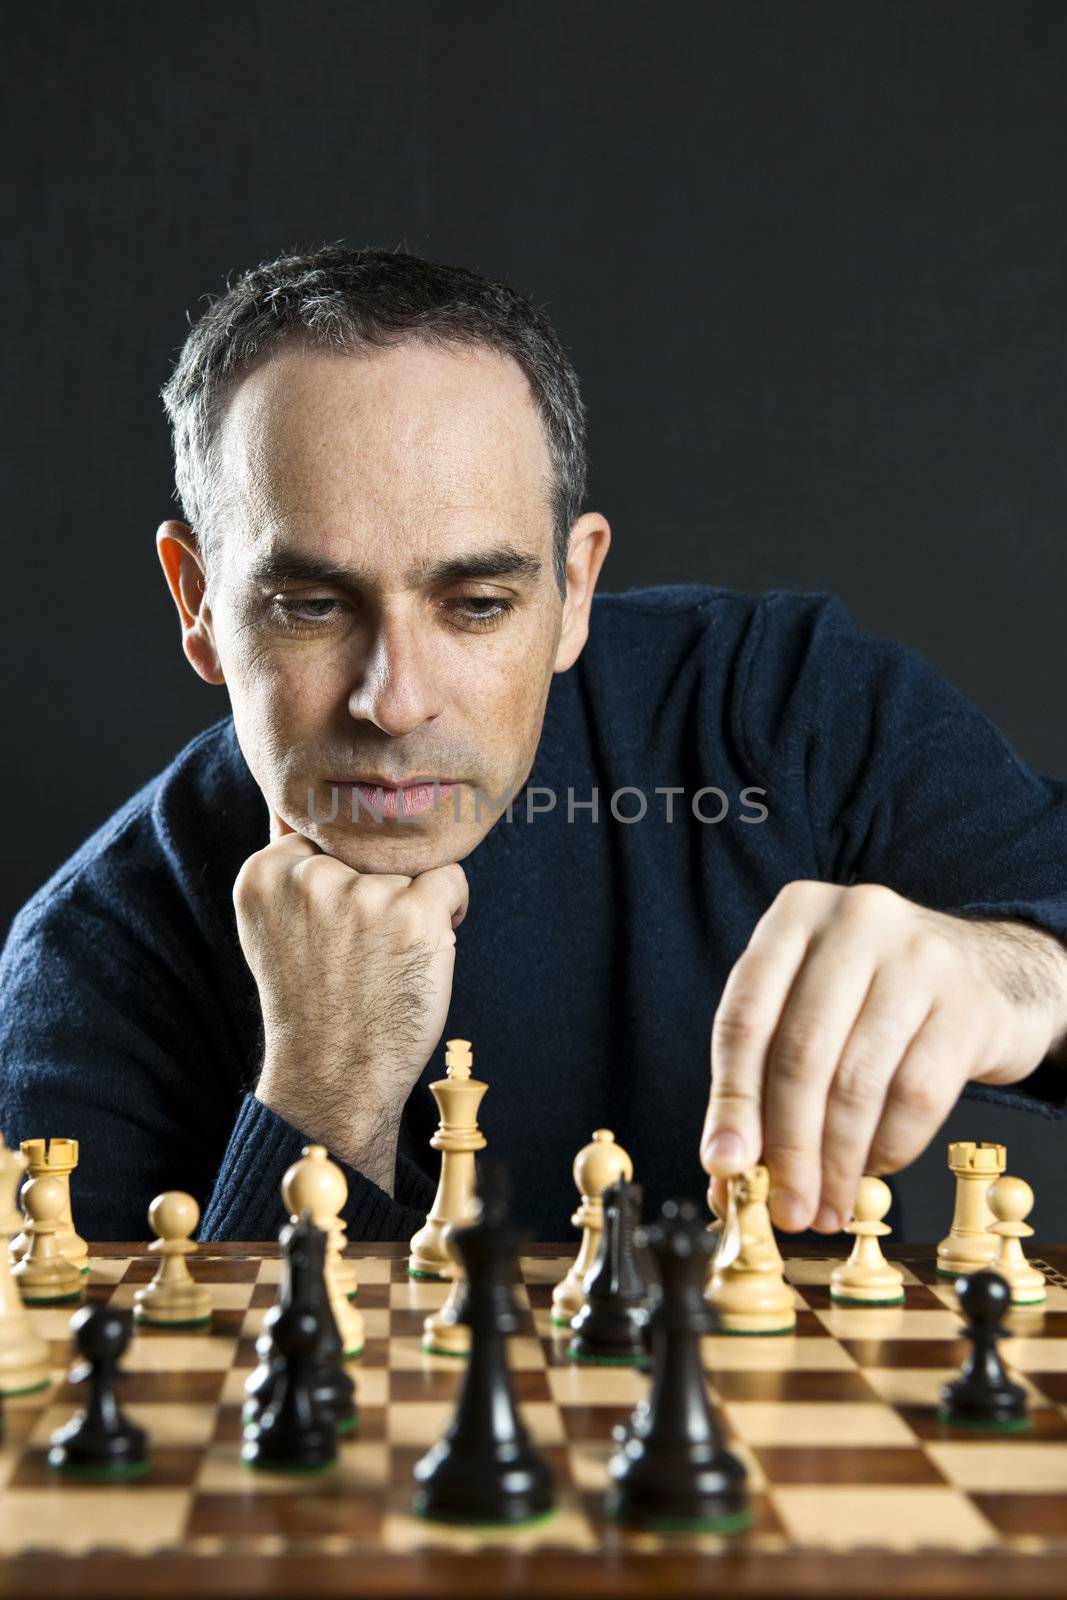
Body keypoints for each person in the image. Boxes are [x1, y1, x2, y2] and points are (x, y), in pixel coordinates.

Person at [1, 243, 1066, 1244]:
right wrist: (324, 1088)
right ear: (197, 604)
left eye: (473, 603)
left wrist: (1013, 976)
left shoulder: (779, 706)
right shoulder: (95, 956)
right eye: (313, 606)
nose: (396, 701)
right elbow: (154, 1431)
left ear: (572, 589)